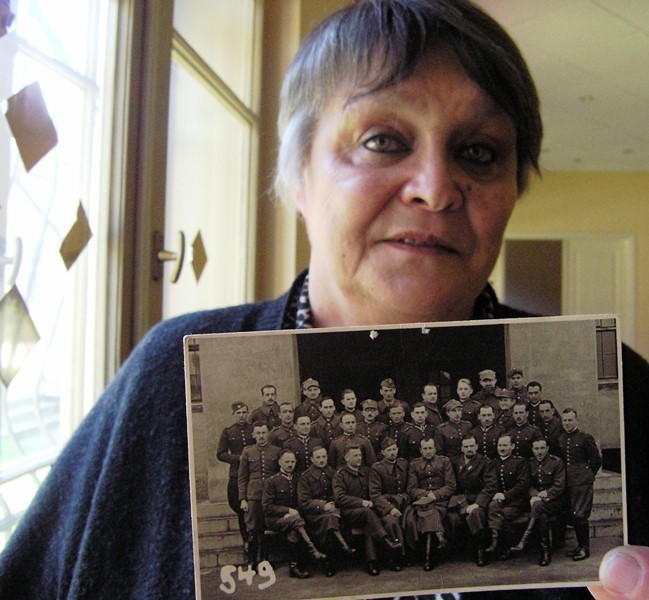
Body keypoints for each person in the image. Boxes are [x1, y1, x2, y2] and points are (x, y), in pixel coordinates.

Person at [2, 1, 648, 599]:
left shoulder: (618, 389)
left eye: (477, 152)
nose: (435, 188)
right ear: (298, 175)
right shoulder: (172, 372)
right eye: (382, 141)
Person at [332, 444, 402, 576]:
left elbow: (374, 492)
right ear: (346, 458)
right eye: (355, 456)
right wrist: (361, 502)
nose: (359, 458)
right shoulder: (340, 475)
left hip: (369, 513)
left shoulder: (367, 472)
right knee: (367, 513)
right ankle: (387, 542)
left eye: (359, 455)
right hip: (349, 513)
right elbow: (339, 498)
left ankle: (372, 562)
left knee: (372, 523)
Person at [262, 450, 326, 579]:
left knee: (294, 529)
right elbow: (267, 507)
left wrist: (293, 513)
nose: (290, 464)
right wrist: (287, 511)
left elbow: (302, 501)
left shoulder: (299, 478)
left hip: (295, 519)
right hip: (275, 520)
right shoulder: (271, 481)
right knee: (296, 522)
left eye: (292, 461)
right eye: (287, 462)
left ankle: (294, 567)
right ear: (280, 462)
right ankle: (313, 551)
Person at [297, 445, 355, 577]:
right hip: (314, 515)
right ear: (312, 459)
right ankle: (340, 550)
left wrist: (333, 503)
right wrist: (323, 506)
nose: (322, 459)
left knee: (331, 519)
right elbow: (303, 502)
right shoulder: (305, 477)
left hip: (334, 511)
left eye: (324, 456)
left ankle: (330, 560)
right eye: (318, 457)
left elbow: (339, 492)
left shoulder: (333, 473)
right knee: (329, 520)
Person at [509, 438, 566, 567]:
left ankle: (524, 540)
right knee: (542, 517)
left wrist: (544, 496)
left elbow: (559, 486)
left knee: (538, 507)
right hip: (537, 502)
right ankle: (545, 552)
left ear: (547, 449)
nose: (539, 452)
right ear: (532, 450)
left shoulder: (556, 462)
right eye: (536, 449)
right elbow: (528, 484)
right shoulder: (530, 463)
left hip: (554, 501)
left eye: (542, 448)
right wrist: (534, 495)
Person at [557, 408, 602, 562]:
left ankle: (585, 548)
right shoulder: (561, 438)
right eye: (564, 420)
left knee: (580, 514)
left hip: (582, 482)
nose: (567, 423)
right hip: (568, 481)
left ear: (576, 421)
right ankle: (579, 545)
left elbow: (596, 460)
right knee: (573, 515)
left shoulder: (585, 438)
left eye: (570, 420)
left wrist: (588, 475)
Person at [407, 437, 456, 570]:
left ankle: (428, 557)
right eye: (425, 448)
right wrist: (426, 495)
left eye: (430, 448)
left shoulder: (444, 462)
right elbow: (411, 488)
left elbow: (451, 486)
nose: (428, 451)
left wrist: (435, 495)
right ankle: (438, 541)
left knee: (430, 513)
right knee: (427, 511)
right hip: (422, 502)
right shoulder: (414, 464)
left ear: (435, 449)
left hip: (441, 501)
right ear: (420, 450)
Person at [237, 423, 281, 569]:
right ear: (253, 435)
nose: (261, 436)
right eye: (258, 433)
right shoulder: (248, 452)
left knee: (266, 528)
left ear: (268, 434)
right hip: (253, 496)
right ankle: (251, 561)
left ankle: (265, 560)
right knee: (252, 529)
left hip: (270, 495)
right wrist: (243, 499)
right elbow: (242, 477)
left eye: (264, 432)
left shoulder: (276, 451)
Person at [448, 435, 497, 566]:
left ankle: (480, 550)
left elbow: (490, 486)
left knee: (476, 514)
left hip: (478, 499)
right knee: (453, 518)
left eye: (472, 446)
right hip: (460, 500)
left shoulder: (485, 462)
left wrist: (477, 503)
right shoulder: (455, 462)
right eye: (466, 446)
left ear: (476, 446)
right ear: (461, 448)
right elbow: (451, 484)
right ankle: (457, 551)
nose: (469, 449)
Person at [368, 437, 414, 570]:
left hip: (405, 503)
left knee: (410, 519)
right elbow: (375, 495)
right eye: (389, 450)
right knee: (391, 522)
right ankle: (395, 557)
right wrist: (390, 509)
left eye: (394, 449)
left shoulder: (404, 464)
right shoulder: (377, 468)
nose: (392, 452)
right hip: (386, 506)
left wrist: (404, 499)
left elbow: (410, 487)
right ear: (383, 452)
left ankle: (411, 554)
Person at [216, 401, 255, 550]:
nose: (241, 416)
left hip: (253, 474)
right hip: (236, 474)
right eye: (238, 413)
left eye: (244, 412)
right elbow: (220, 454)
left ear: (248, 413)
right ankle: (246, 539)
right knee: (240, 508)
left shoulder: (253, 429)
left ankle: (255, 538)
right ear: (233, 415)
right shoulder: (228, 432)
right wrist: (238, 458)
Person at [485, 434, 531, 558]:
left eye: (505, 445)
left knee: (502, 514)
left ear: (513, 446)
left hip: (517, 502)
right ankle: (494, 542)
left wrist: (505, 495)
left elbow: (523, 484)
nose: (502, 448)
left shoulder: (520, 462)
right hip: (499, 500)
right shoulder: (493, 462)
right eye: (499, 445)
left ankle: (506, 547)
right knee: (492, 507)